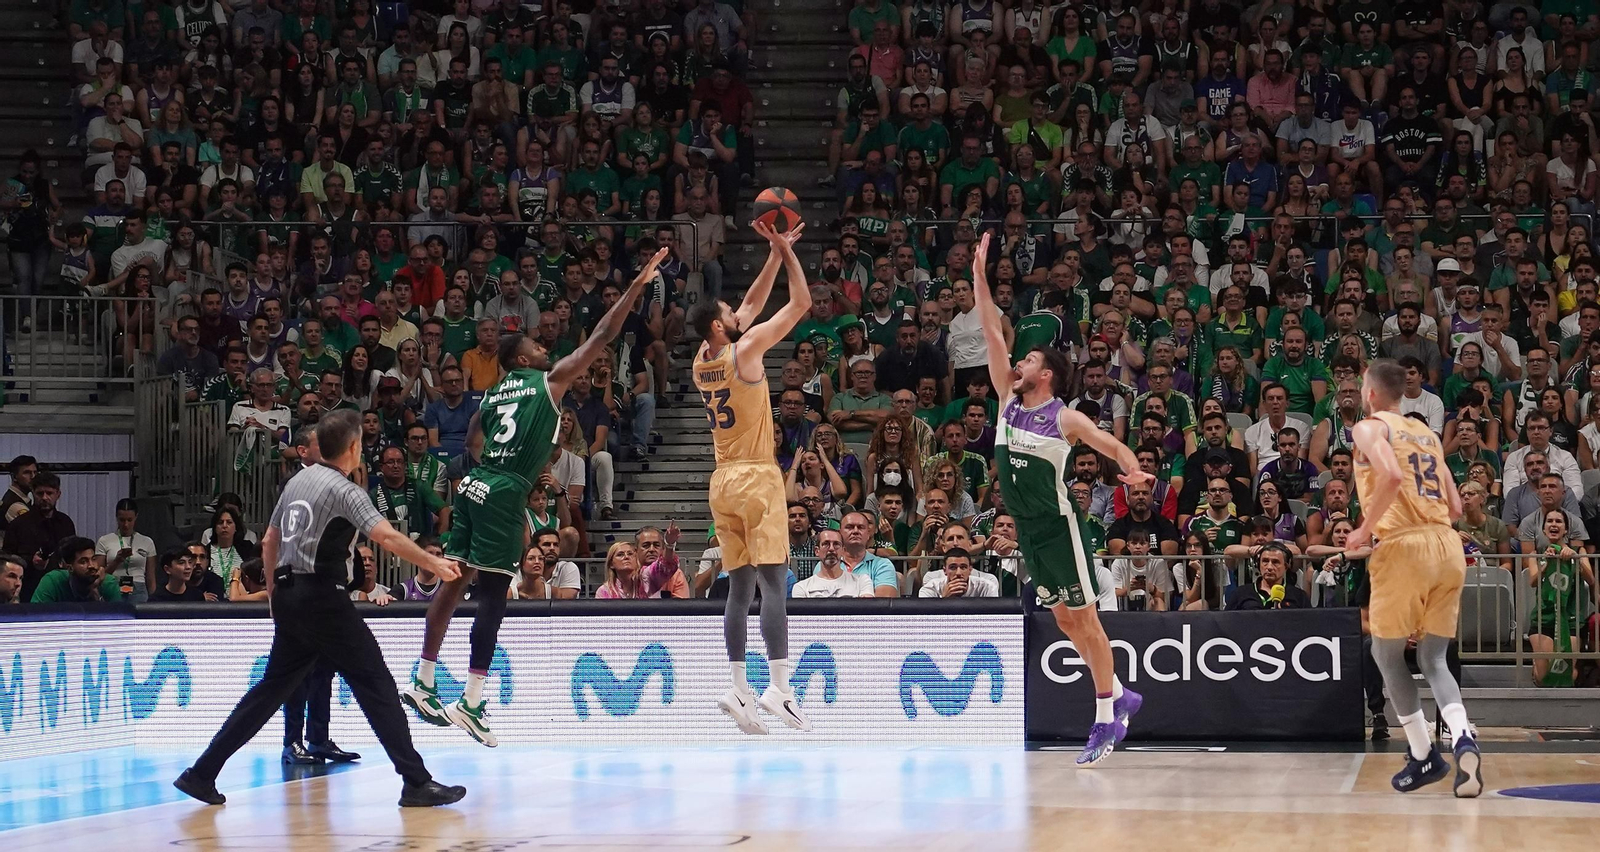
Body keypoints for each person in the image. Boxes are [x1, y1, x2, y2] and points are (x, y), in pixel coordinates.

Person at [400, 247, 670, 747]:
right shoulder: (548, 383)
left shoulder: (492, 394)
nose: (547, 348)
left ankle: (423, 678)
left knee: (454, 580)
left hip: (475, 484)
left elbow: (473, 441)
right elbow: (603, 335)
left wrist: (501, 464)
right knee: (492, 598)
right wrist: (637, 286)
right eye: (538, 347)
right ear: (523, 359)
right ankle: (472, 701)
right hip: (504, 492)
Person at [172, 411, 466, 809]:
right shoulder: (346, 490)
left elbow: (270, 541)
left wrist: (274, 594)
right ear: (354, 447)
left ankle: (201, 773)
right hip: (323, 597)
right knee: (376, 683)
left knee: (269, 691)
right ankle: (415, 782)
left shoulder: (298, 479)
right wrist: (433, 563)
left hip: (290, 593)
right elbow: (386, 537)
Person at [971, 232, 1148, 765]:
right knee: (1066, 622)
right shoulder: (1006, 399)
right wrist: (978, 276)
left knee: (1087, 621)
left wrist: (1132, 468)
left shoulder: (1064, 416)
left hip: (1059, 527)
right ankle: (1122, 694)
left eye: (1026, 360)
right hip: (1026, 529)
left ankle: (1105, 717)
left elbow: (1109, 443)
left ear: (1044, 374)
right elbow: (989, 329)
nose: (1016, 365)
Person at [688, 220, 813, 736]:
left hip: (721, 481)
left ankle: (738, 687)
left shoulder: (702, 359)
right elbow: (801, 303)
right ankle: (780, 688)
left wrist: (772, 255)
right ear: (721, 328)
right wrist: (788, 254)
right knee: (774, 584)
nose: (737, 314)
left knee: (738, 588)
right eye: (729, 314)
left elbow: (750, 307)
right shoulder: (747, 350)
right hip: (758, 477)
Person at [1345, 359, 1481, 798]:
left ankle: (1423, 754)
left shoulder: (1369, 428)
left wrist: (1364, 530)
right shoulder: (1426, 434)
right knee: (1434, 658)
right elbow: (1456, 508)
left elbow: (1390, 475)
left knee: (1385, 656)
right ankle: (1463, 737)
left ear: (1370, 393)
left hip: (1404, 546)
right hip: (1447, 545)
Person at [30, 537, 123, 602]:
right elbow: (36, 616)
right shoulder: (53, 581)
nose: (91, 565)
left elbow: (116, 620)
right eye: (83, 561)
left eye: (94, 559)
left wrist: (94, 591)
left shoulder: (108, 583)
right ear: (70, 568)